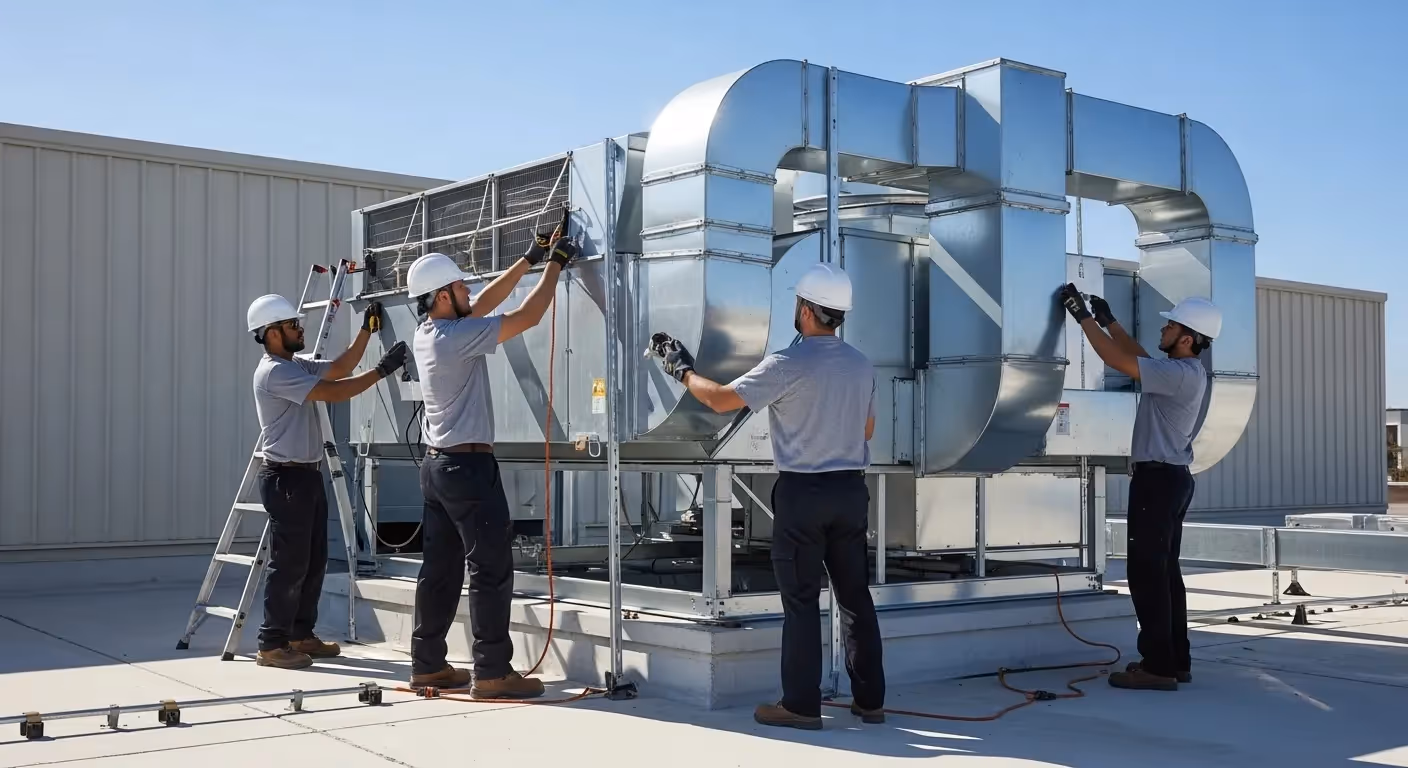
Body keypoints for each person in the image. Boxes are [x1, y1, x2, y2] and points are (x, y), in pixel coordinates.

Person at [650, 262, 885, 731]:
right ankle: (870, 701)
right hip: (851, 490)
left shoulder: (787, 363)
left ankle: (800, 705)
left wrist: (680, 368)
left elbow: (718, 399)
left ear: (805, 310)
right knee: (855, 596)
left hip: (803, 492)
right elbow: (868, 428)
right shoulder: (861, 364)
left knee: (801, 601)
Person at [405, 229, 577, 698]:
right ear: (442, 296)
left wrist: (529, 259)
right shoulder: (455, 337)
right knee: (490, 568)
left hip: (438, 468)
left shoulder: (430, 332)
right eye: (460, 287)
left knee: (439, 569)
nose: (468, 292)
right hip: (468, 470)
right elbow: (529, 315)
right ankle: (494, 672)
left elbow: (483, 302)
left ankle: (428, 664)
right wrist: (557, 264)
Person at [1058, 284, 1221, 691]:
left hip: (1158, 480)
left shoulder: (1178, 375)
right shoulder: (1182, 373)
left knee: (1146, 573)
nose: (1162, 328)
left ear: (1187, 338)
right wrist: (1108, 321)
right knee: (1166, 574)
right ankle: (1175, 659)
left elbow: (1117, 360)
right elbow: (1136, 356)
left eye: (1171, 325)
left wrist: (1082, 318)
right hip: (1172, 479)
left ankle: (1157, 666)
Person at [246, 293, 408, 669]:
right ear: (271, 334)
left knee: (314, 559)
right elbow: (334, 391)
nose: (299, 329)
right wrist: (381, 372)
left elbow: (337, 368)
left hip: (305, 475)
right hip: (285, 479)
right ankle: (272, 643)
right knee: (289, 563)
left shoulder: (295, 363)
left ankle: (300, 634)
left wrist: (367, 333)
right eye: (291, 325)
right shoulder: (275, 372)